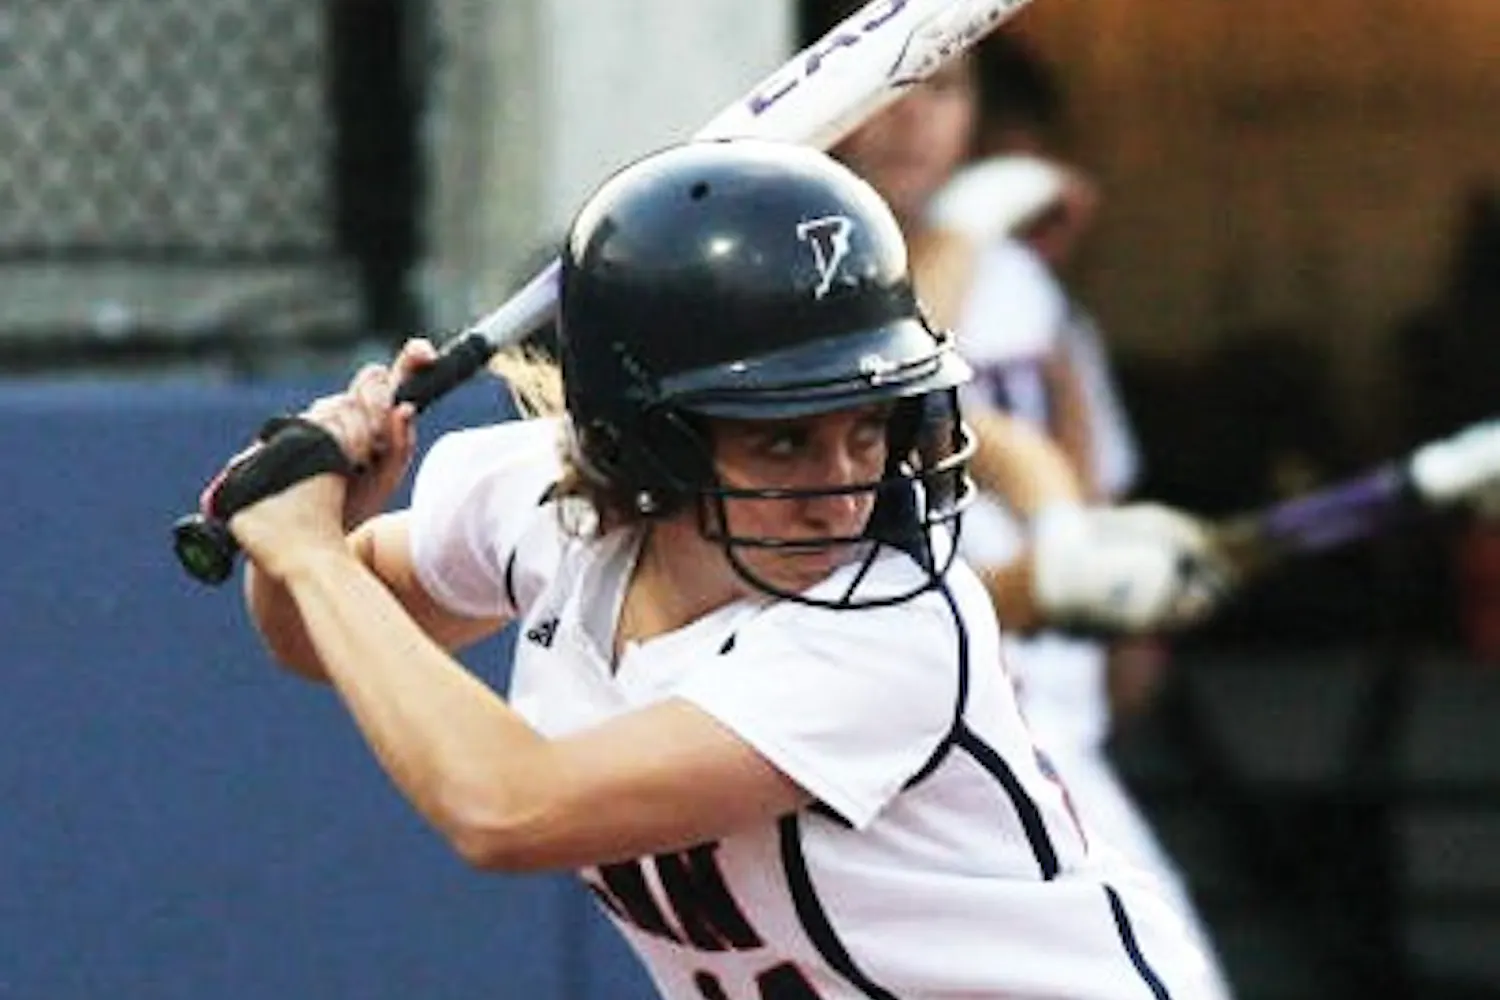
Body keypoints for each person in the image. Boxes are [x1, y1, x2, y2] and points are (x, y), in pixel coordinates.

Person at [218, 138, 1222, 998]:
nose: (844, 487)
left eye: (868, 428)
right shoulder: (541, 505)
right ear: (650, 446)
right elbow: (315, 635)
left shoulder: (889, 621)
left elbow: (506, 807)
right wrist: (311, 534)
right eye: (783, 441)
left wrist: (310, 554)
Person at [816, 13, 1241, 998]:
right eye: (896, 89)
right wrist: (965, 225)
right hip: (900, 732)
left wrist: (1107, 593)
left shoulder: (1020, 281)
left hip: (1047, 724)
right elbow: (887, 371)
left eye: (949, 91)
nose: (918, 121)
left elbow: (1075, 468)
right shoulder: (806, 276)